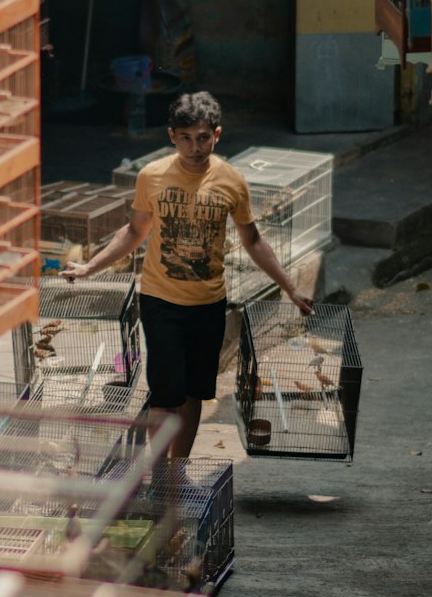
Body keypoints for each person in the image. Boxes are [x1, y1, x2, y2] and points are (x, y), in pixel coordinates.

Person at [64, 91, 313, 457]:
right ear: (171, 136)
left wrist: (290, 288)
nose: (194, 147)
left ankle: (176, 472)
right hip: (160, 300)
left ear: (217, 134)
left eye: (202, 137)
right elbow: (134, 231)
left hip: (208, 304)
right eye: (185, 138)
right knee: (166, 396)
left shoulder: (232, 182)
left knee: (194, 394)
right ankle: (160, 473)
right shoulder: (152, 177)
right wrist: (89, 267)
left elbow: (253, 240)